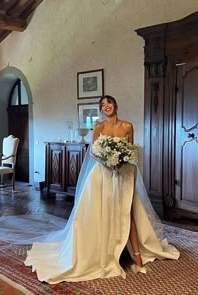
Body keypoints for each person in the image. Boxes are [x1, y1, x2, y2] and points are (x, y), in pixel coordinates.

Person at [23, 95, 180, 284]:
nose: (106, 106)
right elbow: (93, 152)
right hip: (102, 175)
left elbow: (132, 152)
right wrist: (108, 161)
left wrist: (123, 163)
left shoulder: (127, 126)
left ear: (115, 105)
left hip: (124, 175)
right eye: (102, 105)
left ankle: (137, 257)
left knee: (128, 213)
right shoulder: (99, 127)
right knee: (102, 212)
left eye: (109, 103)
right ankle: (103, 254)